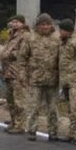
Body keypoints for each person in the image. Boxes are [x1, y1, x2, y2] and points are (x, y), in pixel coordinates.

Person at [21, 13, 61, 142]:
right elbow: (22, 57)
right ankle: (32, 130)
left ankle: (53, 132)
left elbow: (64, 58)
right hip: (35, 78)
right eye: (42, 24)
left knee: (53, 108)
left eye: (47, 24)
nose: (45, 27)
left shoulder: (57, 39)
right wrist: (23, 74)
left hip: (53, 79)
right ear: (37, 26)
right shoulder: (30, 38)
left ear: (51, 25)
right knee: (33, 106)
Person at [0, 15, 30, 134]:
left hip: (17, 72)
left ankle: (20, 124)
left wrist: (10, 55)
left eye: (17, 22)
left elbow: (24, 52)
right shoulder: (12, 35)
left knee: (18, 100)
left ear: (22, 23)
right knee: (10, 99)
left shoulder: (25, 35)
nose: (14, 24)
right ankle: (13, 121)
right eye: (13, 21)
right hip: (8, 71)